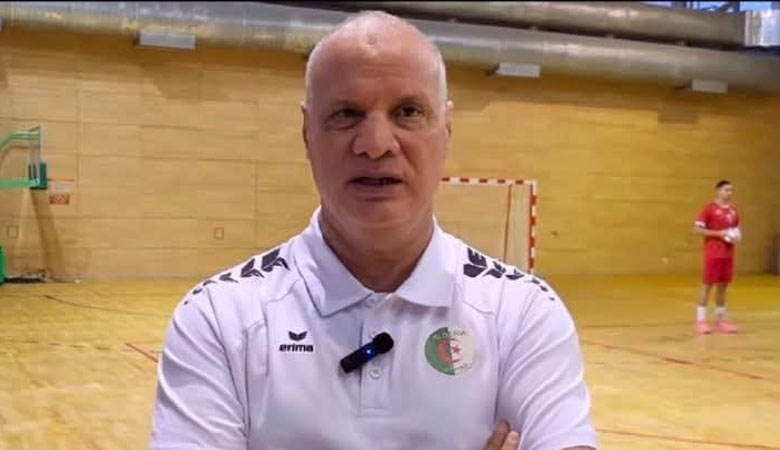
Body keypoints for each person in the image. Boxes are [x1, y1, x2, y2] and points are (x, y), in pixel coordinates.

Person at [149, 11, 597, 450]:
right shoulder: (218, 318)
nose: (377, 144)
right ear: (307, 133)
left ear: (446, 129)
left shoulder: (523, 313)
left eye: (408, 111)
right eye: (347, 114)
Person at [693, 180, 740, 334]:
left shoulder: (733, 211)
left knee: (723, 286)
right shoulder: (709, 209)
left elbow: (735, 229)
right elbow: (697, 229)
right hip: (713, 253)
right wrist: (718, 234)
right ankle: (700, 321)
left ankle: (721, 320)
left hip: (728, 253)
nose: (729, 193)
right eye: (726, 190)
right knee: (707, 285)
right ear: (718, 191)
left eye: (731, 190)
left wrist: (736, 236)